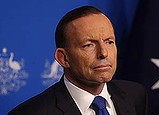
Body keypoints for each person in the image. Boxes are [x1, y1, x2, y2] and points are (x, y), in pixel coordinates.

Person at [8, 6, 149, 115]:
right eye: (89, 45)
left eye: (109, 42)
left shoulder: (135, 95)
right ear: (63, 58)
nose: (103, 53)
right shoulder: (31, 113)